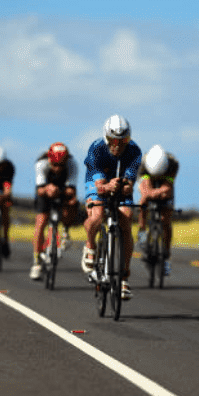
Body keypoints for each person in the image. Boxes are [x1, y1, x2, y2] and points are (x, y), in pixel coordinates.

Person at [82, 115, 142, 300]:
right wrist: (107, 187)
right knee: (98, 212)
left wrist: (124, 186)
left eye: (122, 141)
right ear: (106, 138)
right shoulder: (97, 148)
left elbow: (129, 184)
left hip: (120, 183)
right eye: (113, 141)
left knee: (126, 218)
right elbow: (100, 186)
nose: (117, 145)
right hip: (97, 181)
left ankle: (123, 276)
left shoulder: (134, 151)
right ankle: (91, 246)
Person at [29, 142, 79, 280]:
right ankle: (36, 262)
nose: (57, 169)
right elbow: (40, 189)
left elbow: (71, 189)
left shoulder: (72, 164)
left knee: (73, 203)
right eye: (54, 165)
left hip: (63, 189)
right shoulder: (41, 163)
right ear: (49, 160)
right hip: (45, 191)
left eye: (61, 165)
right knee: (41, 221)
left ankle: (66, 231)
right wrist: (48, 189)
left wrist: (60, 192)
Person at [136, 144, 179, 277]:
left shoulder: (173, 164)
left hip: (165, 182)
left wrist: (159, 193)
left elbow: (168, 188)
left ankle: (166, 256)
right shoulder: (142, 164)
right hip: (148, 181)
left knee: (166, 219)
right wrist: (150, 194)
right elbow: (144, 188)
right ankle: (142, 231)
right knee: (143, 202)